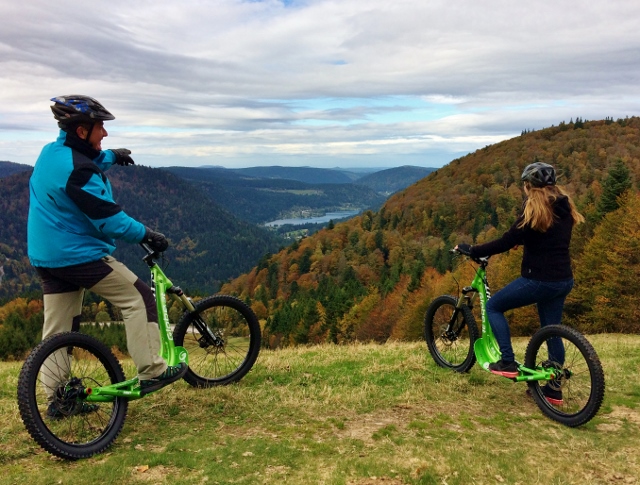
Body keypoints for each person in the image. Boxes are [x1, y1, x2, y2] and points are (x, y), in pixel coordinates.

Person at [28, 95, 187, 417]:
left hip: (46, 256)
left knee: (58, 331)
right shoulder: (79, 172)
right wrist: (148, 234)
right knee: (139, 299)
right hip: (78, 254)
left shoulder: (52, 153)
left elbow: (80, 163)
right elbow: (109, 219)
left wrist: (113, 156)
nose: (105, 133)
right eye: (101, 127)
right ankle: (153, 369)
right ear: (83, 130)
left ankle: (59, 400)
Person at [455, 161, 584, 405]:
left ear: (529, 187)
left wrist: (473, 249)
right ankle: (554, 390)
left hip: (539, 280)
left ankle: (508, 361)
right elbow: (549, 237)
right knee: (551, 330)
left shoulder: (533, 210)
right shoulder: (565, 208)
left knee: (494, 307)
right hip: (563, 279)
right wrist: (524, 240)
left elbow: (506, 240)